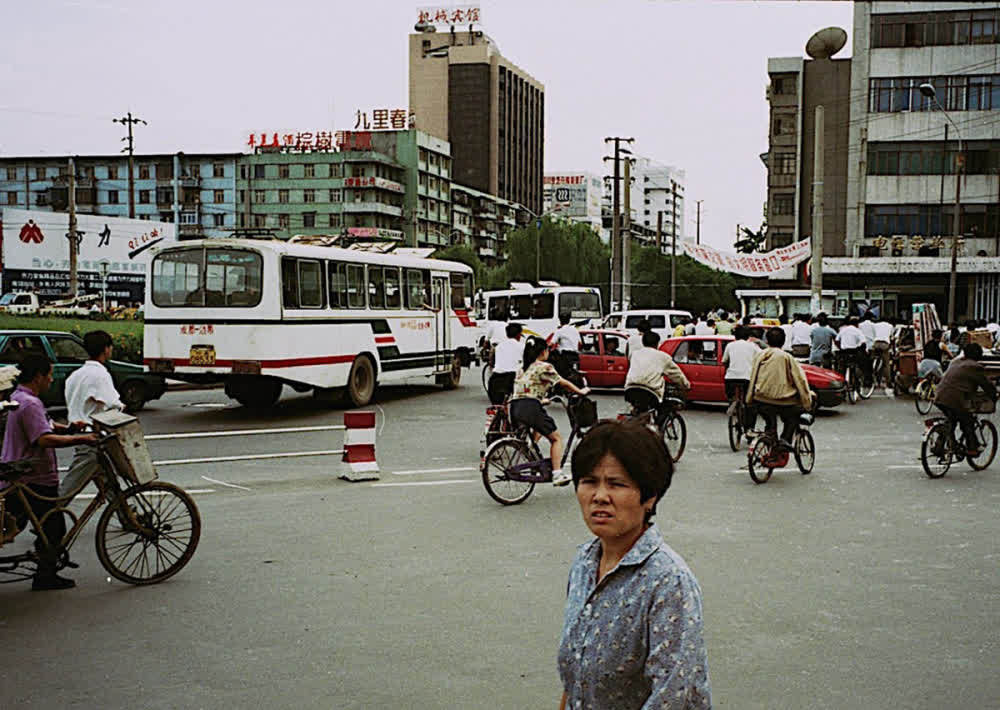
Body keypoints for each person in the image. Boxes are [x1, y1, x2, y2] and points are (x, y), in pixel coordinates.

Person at [559, 420, 712, 710]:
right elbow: (576, 678)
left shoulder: (668, 582)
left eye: (617, 484)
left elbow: (671, 696)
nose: (600, 496)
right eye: (589, 481)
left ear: (649, 497)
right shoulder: (584, 563)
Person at [1, 354, 97, 590]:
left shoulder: (20, 397)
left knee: (35, 523)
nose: (52, 380)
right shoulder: (31, 403)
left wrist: (69, 429)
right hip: (32, 478)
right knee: (53, 527)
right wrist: (82, 438)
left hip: (20, 473)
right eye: (49, 375)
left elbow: (44, 426)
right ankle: (45, 576)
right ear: (38, 376)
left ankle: (45, 569)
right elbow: (43, 439)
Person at [509, 337, 590, 486]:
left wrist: (542, 400)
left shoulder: (522, 368)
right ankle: (557, 474)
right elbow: (563, 382)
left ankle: (531, 450)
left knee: (540, 425)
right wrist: (581, 391)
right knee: (556, 438)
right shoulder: (544, 367)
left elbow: (526, 390)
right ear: (543, 351)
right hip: (529, 407)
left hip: (515, 407)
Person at [60, 331, 126, 497]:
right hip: (91, 441)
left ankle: (127, 520)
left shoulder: (75, 376)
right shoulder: (99, 375)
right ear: (106, 349)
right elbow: (114, 405)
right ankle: (46, 519)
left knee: (111, 488)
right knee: (65, 493)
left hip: (79, 434)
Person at [746, 328, 815, 449]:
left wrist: (749, 398)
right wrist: (807, 401)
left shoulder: (760, 355)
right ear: (783, 341)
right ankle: (785, 440)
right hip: (784, 401)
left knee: (770, 423)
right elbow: (800, 380)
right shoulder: (787, 357)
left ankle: (770, 438)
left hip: (761, 399)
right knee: (792, 418)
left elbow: (753, 377)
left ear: (767, 341)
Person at [933, 343, 998, 456]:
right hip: (954, 399)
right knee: (967, 421)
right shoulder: (975, 367)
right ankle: (972, 448)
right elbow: (986, 385)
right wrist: (994, 395)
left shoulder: (956, 362)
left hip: (939, 396)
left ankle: (940, 445)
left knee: (951, 421)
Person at [623, 331, 690, 427]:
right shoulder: (663, 357)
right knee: (664, 407)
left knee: (639, 408)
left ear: (643, 342)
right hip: (650, 392)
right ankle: (658, 431)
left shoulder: (635, 354)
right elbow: (677, 375)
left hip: (630, 390)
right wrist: (686, 385)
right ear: (657, 343)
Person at [723, 326, 760, 430]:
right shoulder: (753, 346)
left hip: (730, 378)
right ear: (748, 336)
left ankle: (733, 402)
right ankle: (749, 429)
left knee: (732, 395)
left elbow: (724, 361)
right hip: (747, 378)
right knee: (750, 404)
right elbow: (761, 356)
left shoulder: (730, 345)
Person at [487, 323, 524, 405]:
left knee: (497, 406)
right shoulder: (522, 347)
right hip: (512, 379)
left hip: (495, 379)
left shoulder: (498, 347)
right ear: (519, 335)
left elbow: (492, 363)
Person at [550, 313, 582, 378]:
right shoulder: (575, 330)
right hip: (575, 356)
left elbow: (551, 343)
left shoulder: (559, 331)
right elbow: (580, 343)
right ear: (569, 321)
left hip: (564, 357)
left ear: (560, 321)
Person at [871, 314, 893, 386]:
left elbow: (874, 334)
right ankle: (888, 381)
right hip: (885, 344)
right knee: (886, 364)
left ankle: (870, 377)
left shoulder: (875, 325)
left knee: (871, 360)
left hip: (876, 343)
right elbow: (891, 336)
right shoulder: (890, 326)